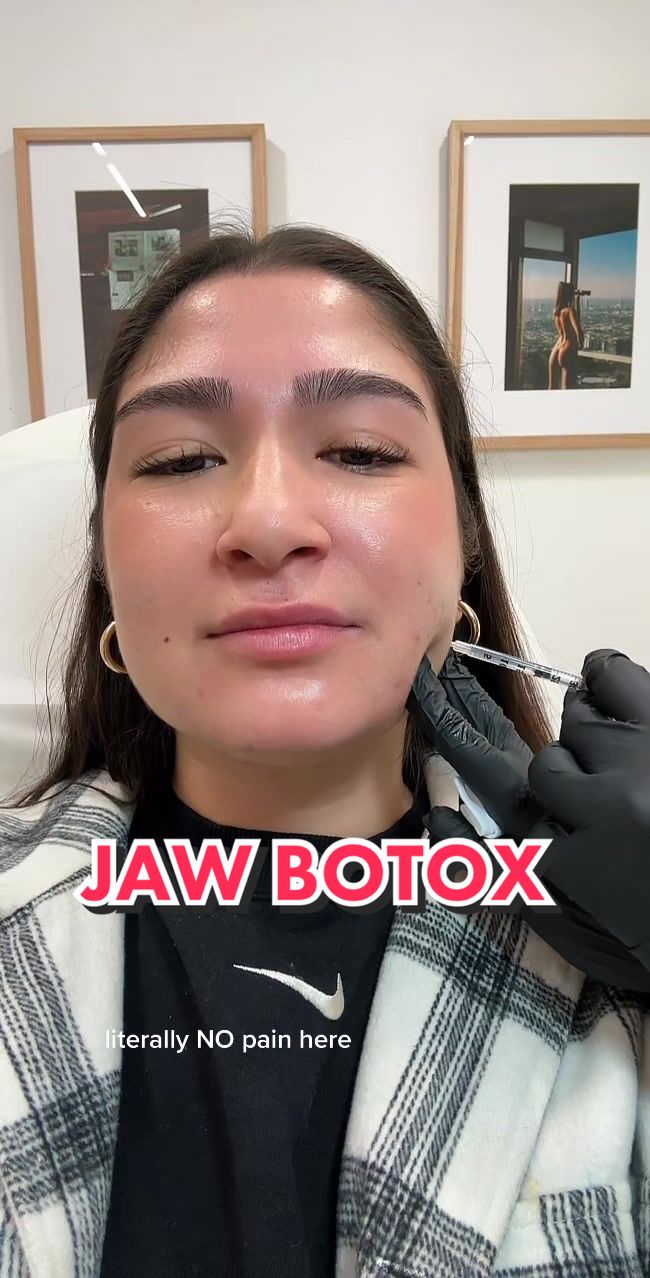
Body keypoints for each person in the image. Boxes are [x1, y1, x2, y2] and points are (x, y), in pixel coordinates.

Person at [0, 224, 648, 1278]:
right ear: (107, 563)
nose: (265, 523)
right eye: (180, 460)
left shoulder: (616, 942)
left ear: (464, 538)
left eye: (359, 452)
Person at [548, 280, 584, 389]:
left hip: (558, 346)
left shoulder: (556, 312)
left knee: (552, 386)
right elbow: (578, 329)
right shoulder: (569, 311)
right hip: (567, 347)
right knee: (567, 387)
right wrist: (580, 343)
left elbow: (571, 320)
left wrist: (577, 301)